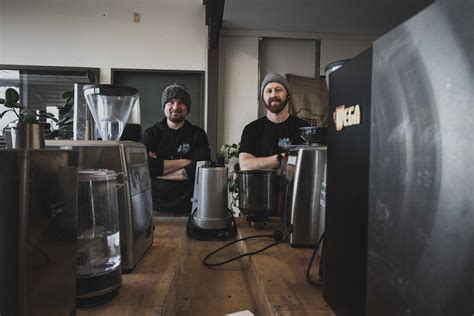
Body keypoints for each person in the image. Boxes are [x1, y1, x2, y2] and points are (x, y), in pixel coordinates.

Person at [143, 83, 211, 215]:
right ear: (164, 106)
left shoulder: (197, 134)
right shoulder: (151, 134)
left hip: (189, 207)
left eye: (181, 102)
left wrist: (159, 172)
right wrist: (185, 162)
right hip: (156, 208)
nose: (175, 107)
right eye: (170, 102)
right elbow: (147, 167)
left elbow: (200, 168)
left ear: (187, 107)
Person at [239, 73, 309, 170]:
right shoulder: (251, 129)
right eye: (268, 91)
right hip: (260, 185)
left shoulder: (303, 129)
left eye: (278, 90)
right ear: (263, 98)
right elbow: (245, 165)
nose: (273, 94)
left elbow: (309, 164)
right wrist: (280, 159)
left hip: (294, 185)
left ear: (288, 95)